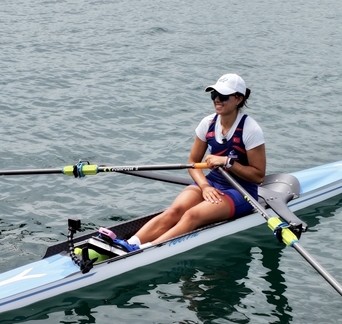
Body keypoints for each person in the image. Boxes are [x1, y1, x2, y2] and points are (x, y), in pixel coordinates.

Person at [107, 73, 266, 251]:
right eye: (214, 95)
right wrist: (205, 186)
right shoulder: (207, 123)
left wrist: (228, 162)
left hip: (241, 190)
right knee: (174, 211)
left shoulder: (250, 129)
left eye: (222, 96)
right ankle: (131, 243)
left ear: (238, 98)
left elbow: (258, 176)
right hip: (213, 182)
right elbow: (193, 163)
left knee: (191, 215)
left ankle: (147, 250)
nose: (217, 100)